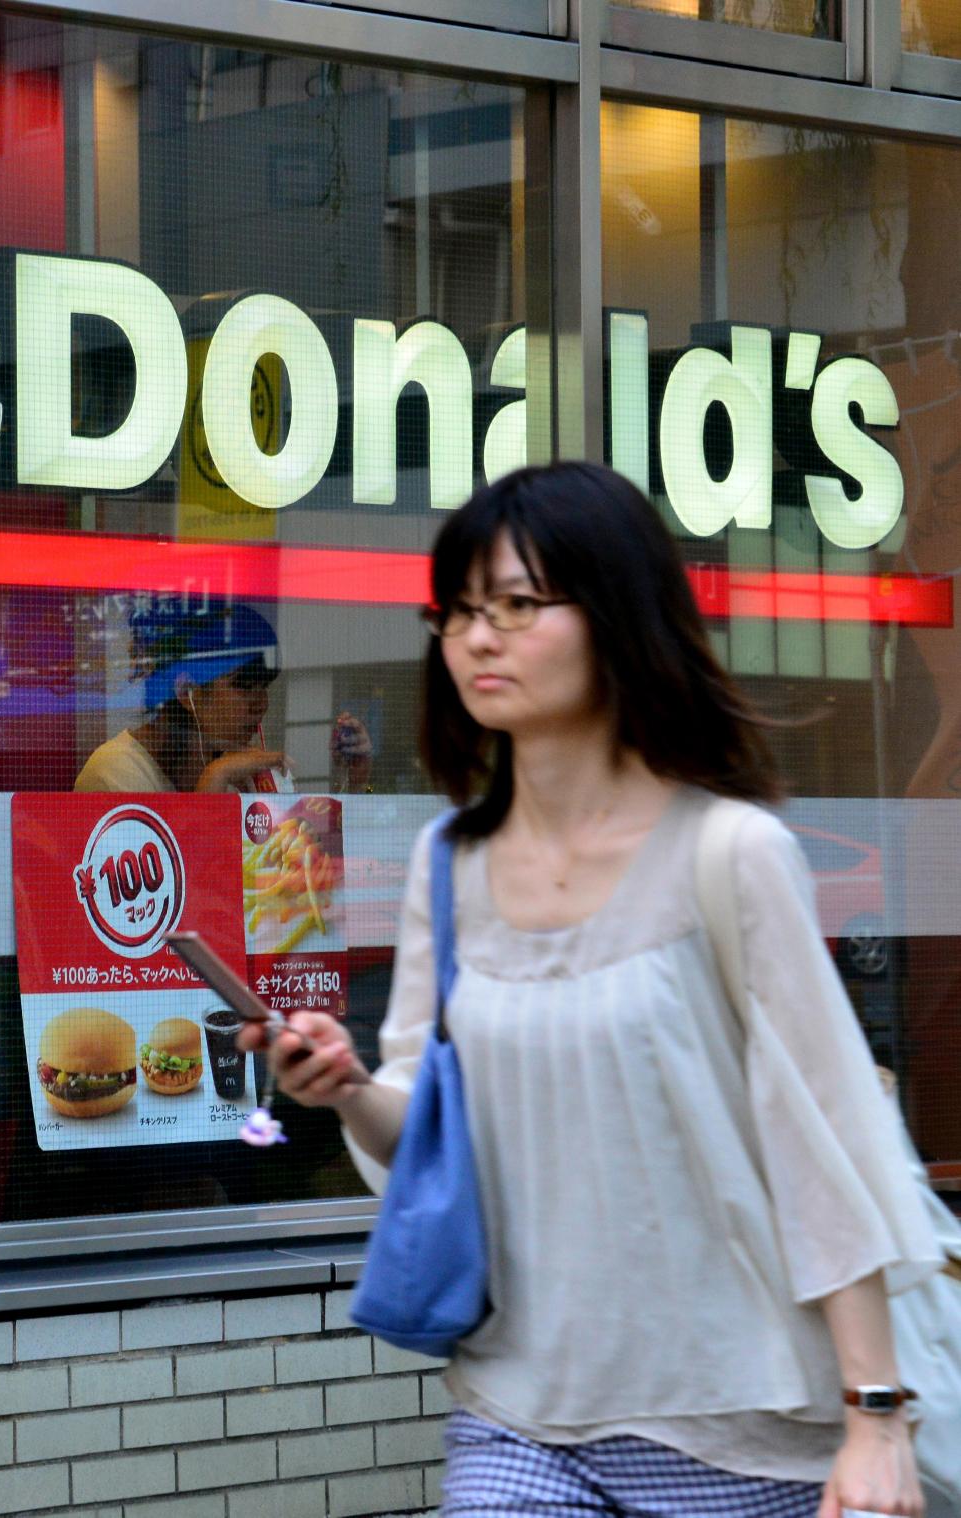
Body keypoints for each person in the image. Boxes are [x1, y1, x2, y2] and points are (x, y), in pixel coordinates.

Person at [245, 463, 942, 1518]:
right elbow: (422, 1127)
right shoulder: (448, 865)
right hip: (520, 1407)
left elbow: (827, 1144)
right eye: (458, 612)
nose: (479, 638)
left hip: (737, 1426)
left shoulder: (730, 854)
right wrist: (341, 1087)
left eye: (518, 605)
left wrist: (875, 1417)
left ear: (617, 617)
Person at [75, 603, 285, 793]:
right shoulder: (115, 775)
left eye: (264, 685)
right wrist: (214, 780)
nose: (261, 704)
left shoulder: (238, 773)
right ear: (186, 691)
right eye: (245, 686)